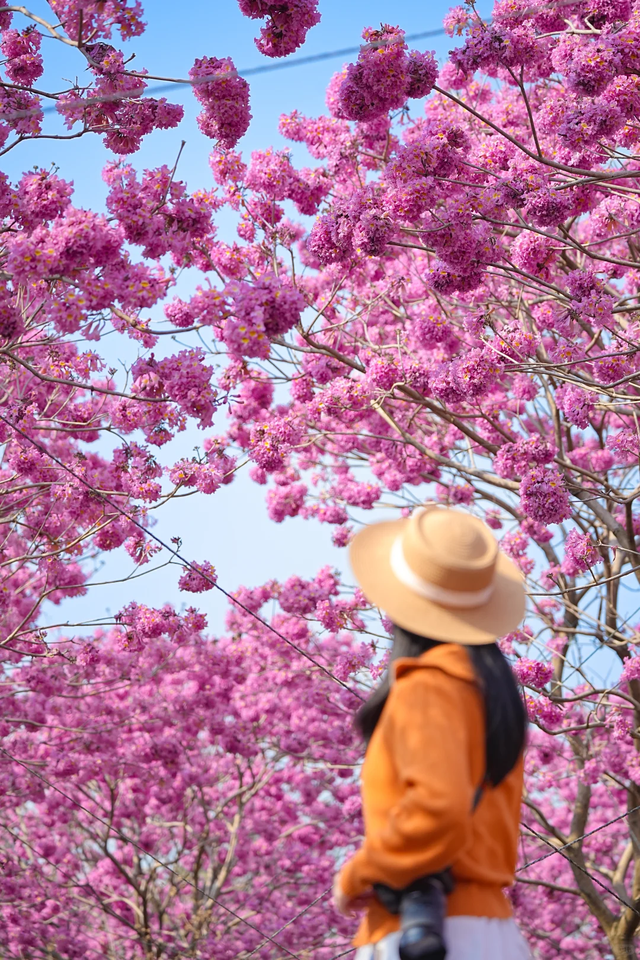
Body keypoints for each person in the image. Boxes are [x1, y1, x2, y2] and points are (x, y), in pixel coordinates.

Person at [332, 504, 531, 960]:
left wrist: (359, 872)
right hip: (488, 928)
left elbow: (437, 811)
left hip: (427, 933)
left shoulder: (428, 685)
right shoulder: (490, 696)